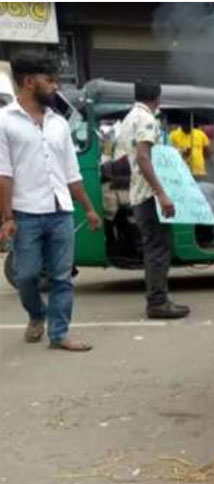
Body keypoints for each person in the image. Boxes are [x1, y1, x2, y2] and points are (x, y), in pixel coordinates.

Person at [0, 52, 101, 351]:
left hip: (61, 213)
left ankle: (59, 333)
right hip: (26, 213)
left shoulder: (59, 123)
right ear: (29, 81)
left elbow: (71, 172)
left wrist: (89, 208)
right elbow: (3, 173)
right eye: (50, 80)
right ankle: (36, 314)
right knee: (26, 276)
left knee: (62, 277)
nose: (55, 86)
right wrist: (7, 217)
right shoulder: (4, 121)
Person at [116, 81, 190, 319]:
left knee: (153, 248)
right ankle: (158, 302)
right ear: (157, 98)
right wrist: (161, 192)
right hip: (149, 196)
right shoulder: (147, 119)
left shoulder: (129, 118)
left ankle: (158, 299)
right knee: (158, 250)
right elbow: (143, 157)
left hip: (138, 193)